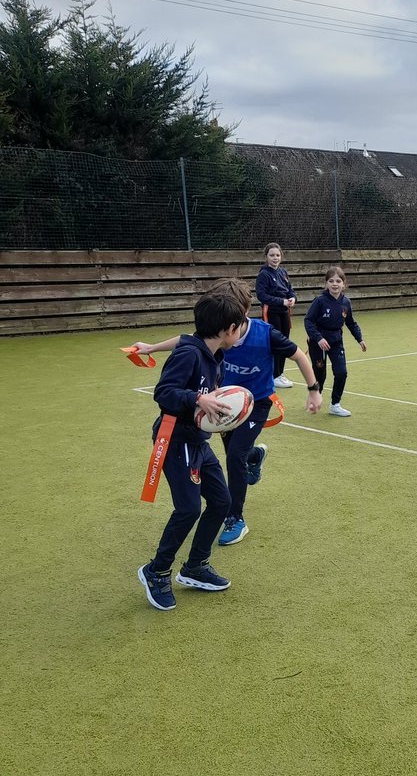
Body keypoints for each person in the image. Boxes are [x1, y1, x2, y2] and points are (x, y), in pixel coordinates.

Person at [130, 278, 323, 549]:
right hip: (223, 405)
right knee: (238, 452)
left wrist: (313, 389)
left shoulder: (264, 333)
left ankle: (236, 517)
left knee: (234, 456)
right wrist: (151, 347)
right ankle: (254, 456)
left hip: (255, 403)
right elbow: (187, 340)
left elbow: (299, 356)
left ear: (239, 315)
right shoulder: (217, 337)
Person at [136, 290, 245, 611]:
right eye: (239, 326)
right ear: (228, 330)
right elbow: (164, 393)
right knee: (188, 509)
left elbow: (208, 399)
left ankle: (195, 565)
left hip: (197, 439)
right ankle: (156, 571)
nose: (241, 330)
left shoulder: (215, 356)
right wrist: (198, 399)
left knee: (222, 501)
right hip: (175, 439)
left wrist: (222, 413)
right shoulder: (188, 354)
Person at [304, 265, 367, 417]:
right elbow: (308, 321)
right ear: (326, 283)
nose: (335, 284)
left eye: (338, 281)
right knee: (320, 375)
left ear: (344, 284)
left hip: (336, 341)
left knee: (341, 372)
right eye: (331, 281)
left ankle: (335, 404)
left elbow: (351, 323)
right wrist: (318, 338)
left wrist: (360, 339)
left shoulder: (346, 303)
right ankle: (315, 398)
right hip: (318, 343)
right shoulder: (319, 301)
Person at [255, 242, 297, 389]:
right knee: (275, 343)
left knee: (284, 342)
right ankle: (273, 374)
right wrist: (281, 301)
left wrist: (292, 298)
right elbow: (261, 295)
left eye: (277, 255)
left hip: (285, 312)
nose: (275, 258)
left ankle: (280, 373)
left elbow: (290, 290)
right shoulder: (263, 274)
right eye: (272, 255)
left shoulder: (283, 272)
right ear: (266, 257)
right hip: (271, 313)